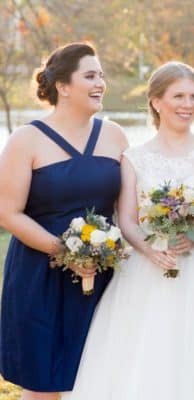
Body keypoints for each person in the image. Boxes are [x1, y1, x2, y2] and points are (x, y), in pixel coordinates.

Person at [62, 61, 194, 400]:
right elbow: (126, 219)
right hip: (146, 266)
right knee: (145, 355)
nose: (188, 105)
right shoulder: (134, 157)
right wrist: (149, 249)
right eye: (178, 96)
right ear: (157, 102)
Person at [0, 43, 128, 399]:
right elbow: (7, 212)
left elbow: (127, 209)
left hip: (103, 275)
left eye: (101, 75)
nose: (100, 82)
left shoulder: (115, 135)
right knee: (43, 383)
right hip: (40, 276)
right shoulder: (26, 140)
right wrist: (65, 251)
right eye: (90, 75)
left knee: (100, 377)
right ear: (63, 86)